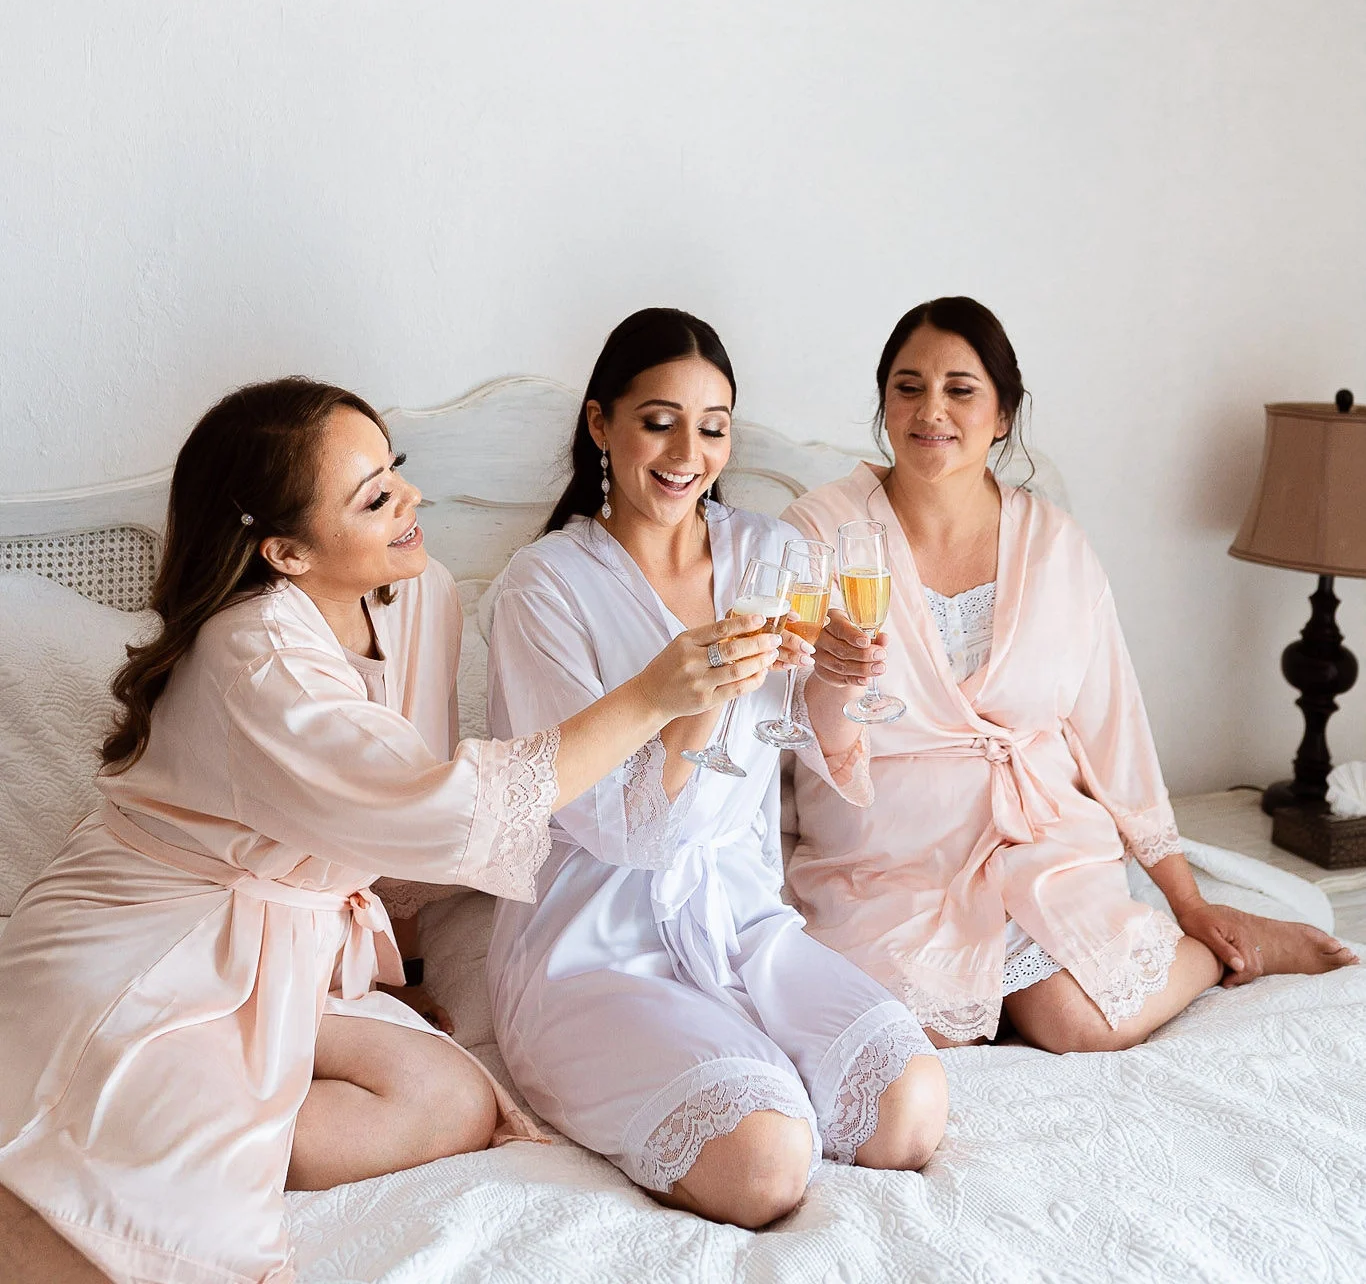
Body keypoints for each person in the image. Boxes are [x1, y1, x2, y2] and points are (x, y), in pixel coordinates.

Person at [0, 377, 777, 1284]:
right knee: (132, 1235)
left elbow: (400, 825)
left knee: (447, 1098)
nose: (412, 500)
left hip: (282, 945)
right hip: (152, 943)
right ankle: (109, 1132)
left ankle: (212, 1114)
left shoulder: (422, 595)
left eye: (395, 473)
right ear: (287, 551)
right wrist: (650, 696)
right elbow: (447, 802)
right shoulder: (251, 657)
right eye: (374, 498)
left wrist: (398, 973)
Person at [784, 297, 1357, 1054]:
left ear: (1002, 414)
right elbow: (785, 727)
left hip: (1039, 836)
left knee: (1080, 1022)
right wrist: (832, 680)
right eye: (908, 385)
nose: (932, 410)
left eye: (961, 389)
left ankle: (1224, 950)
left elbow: (1113, 727)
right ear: (884, 402)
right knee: (919, 1033)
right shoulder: (818, 532)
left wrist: (1188, 903)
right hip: (889, 853)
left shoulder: (1055, 543)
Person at [484, 309, 947, 1232]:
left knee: (911, 1105)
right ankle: (704, 1089)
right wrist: (685, 694)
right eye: (658, 420)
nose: (687, 451)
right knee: (768, 1162)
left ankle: (752, 1062)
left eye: (713, 425)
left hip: (742, 921)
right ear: (599, 423)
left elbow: (794, 735)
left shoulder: (771, 555)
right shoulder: (542, 589)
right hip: (597, 948)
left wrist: (837, 679)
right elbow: (610, 827)